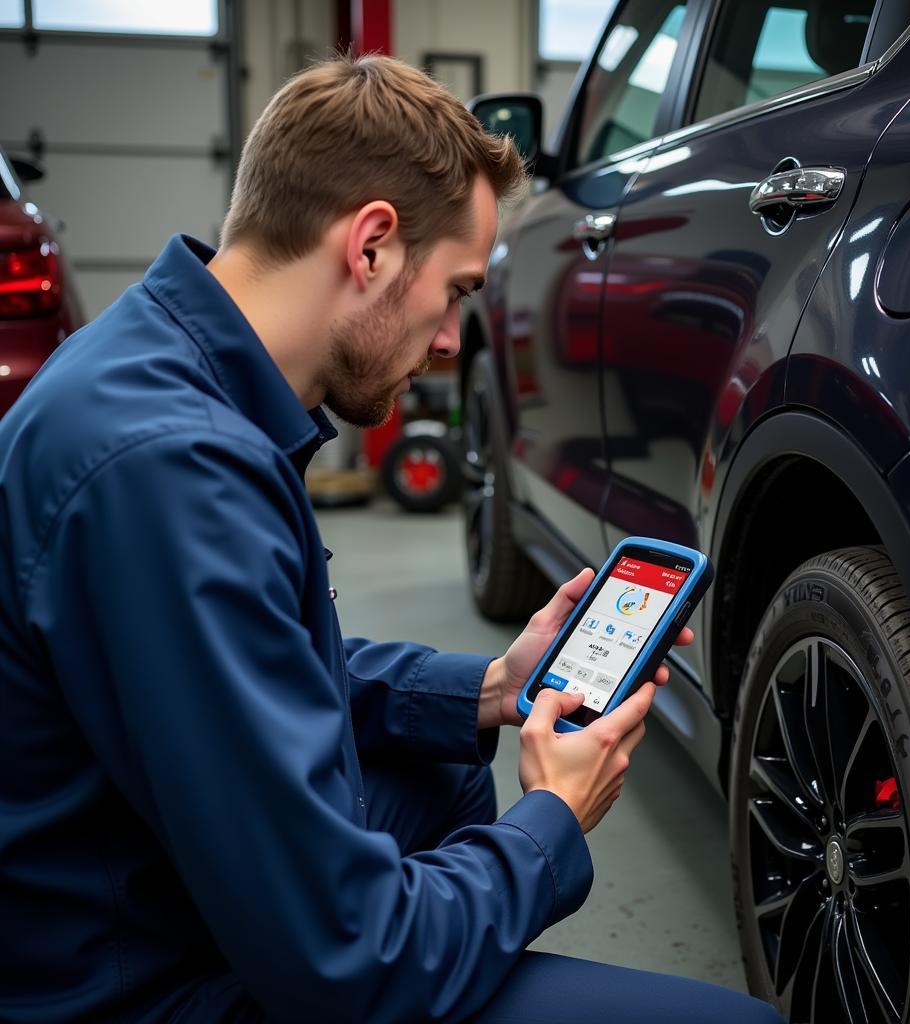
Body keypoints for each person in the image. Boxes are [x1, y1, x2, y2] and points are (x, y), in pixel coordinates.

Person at [0, 54, 783, 1024]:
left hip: (140, 878)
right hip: (136, 982)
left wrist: (491, 687)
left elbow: (258, 659)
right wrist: (552, 821)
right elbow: (347, 957)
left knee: (441, 761)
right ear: (370, 246)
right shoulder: (172, 472)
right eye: (455, 290)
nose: (455, 340)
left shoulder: (158, 365)